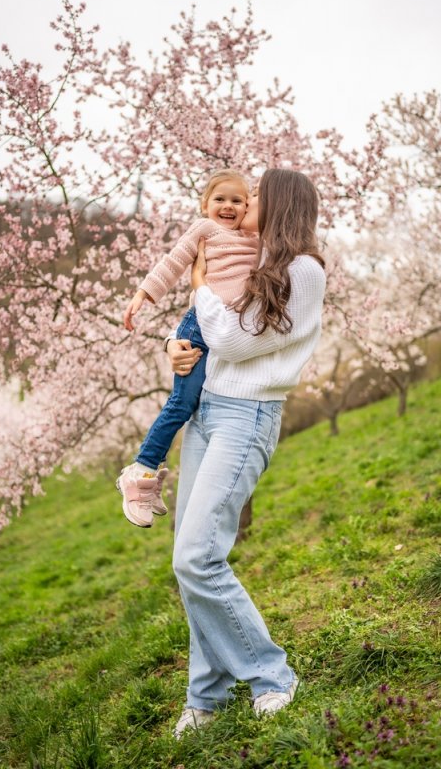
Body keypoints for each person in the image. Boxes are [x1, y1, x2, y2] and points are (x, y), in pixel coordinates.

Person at [164, 168, 326, 737]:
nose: (245, 202)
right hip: (207, 412)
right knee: (190, 558)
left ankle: (271, 675)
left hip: (247, 416)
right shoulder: (252, 262)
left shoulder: (303, 272)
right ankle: (205, 696)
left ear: (278, 205)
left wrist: (200, 287)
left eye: (256, 194)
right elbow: (209, 334)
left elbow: (234, 338)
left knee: (196, 557)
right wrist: (176, 347)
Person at [118, 169, 259, 528]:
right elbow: (174, 261)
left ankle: (151, 475)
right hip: (199, 327)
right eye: (220, 200)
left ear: (249, 205)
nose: (229, 206)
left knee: (198, 401)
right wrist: (142, 295)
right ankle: (141, 471)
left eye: (237, 201)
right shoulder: (204, 230)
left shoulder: (255, 238)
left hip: (225, 329)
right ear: (205, 205)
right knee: (183, 401)